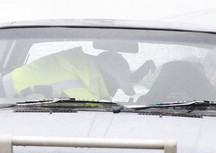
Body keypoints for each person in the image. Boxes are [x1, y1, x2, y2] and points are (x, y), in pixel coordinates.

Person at [1, 47, 138, 101]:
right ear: (108, 75)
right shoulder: (83, 93)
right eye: (117, 85)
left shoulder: (74, 62)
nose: (114, 93)